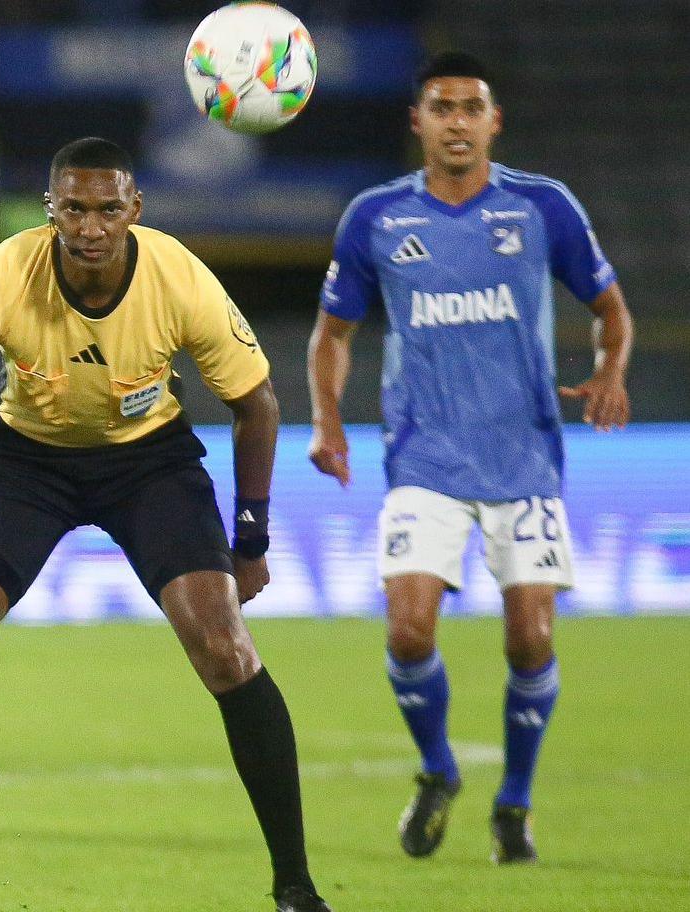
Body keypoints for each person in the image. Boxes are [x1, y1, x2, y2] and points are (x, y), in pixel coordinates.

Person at [0, 137, 328, 912]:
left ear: (134, 210)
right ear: (50, 211)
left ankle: (295, 888)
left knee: (224, 646)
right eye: (73, 208)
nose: (91, 226)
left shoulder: (177, 277)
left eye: (109, 208)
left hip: (149, 465)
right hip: (25, 464)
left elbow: (257, 403)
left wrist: (250, 538)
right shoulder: (2, 275)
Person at [307, 51, 633, 863]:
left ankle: (513, 804)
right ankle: (438, 769)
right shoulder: (376, 217)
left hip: (523, 462)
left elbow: (609, 309)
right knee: (409, 630)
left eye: (470, 108)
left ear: (492, 122)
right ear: (416, 122)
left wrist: (610, 370)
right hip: (424, 461)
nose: (456, 122)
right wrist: (327, 423)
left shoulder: (541, 206)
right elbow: (331, 335)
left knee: (529, 640)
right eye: (440, 108)